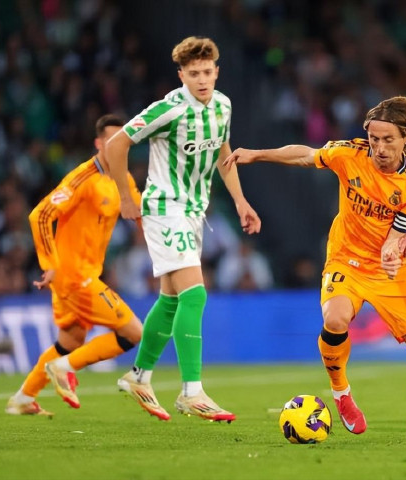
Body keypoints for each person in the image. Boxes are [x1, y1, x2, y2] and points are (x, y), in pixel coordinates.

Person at [225, 95, 406, 442]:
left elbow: (398, 230)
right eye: (374, 138)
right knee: (335, 319)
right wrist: (258, 154)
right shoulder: (349, 154)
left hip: (388, 273)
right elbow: (305, 155)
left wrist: (392, 249)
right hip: (345, 259)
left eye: (388, 139)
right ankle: (341, 393)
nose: (379, 147)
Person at [106, 36, 261, 422]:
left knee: (172, 299)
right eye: (194, 74)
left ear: (217, 71)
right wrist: (125, 196)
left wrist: (241, 201)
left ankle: (138, 376)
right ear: (181, 76)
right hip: (164, 208)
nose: (202, 80)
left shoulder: (223, 105)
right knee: (195, 294)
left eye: (207, 72)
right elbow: (116, 144)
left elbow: (224, 154)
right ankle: (192, 392)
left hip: (193, 211)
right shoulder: (169, 109)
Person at [5, 114, 143, 416]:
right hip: (73, 277)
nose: (117, 146)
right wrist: (49, 264)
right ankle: (63, 368)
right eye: (111, 140)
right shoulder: (83, 178)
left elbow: (140, 211)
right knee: (134, 333)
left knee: (70, 341)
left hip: (85, 275)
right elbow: (40, 215)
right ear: (98, 143)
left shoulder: (123, 180)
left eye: (122, 141)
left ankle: (23, 398)